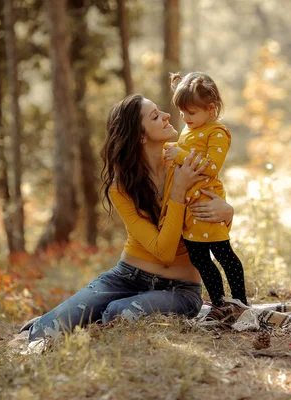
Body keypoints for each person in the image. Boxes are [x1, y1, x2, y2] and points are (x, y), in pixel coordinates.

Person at [23, 94, 235, 342]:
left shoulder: (185, 162)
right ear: (141, 136)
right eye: (155, 116)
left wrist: (227, 212)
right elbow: (161, 250)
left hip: (180, 288)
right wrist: (177, 191)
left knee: (117, 313)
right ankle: (64, 317)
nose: (167, 116)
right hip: (125, 277)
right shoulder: (122, 187)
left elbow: (208, 221)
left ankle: (101, 313)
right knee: (41, 333)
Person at [161, 72, 248, 308]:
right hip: (191, 208)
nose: (186, 118)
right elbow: (184, 153)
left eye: (191, 113)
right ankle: (220, 304)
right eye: (182, 113)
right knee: (200, 259)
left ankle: (240, 302)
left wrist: (179, 154)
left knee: (223, 254)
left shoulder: (216, 132)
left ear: (211, 109)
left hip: (208, 205)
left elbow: (210, 167)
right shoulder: (190, 130)